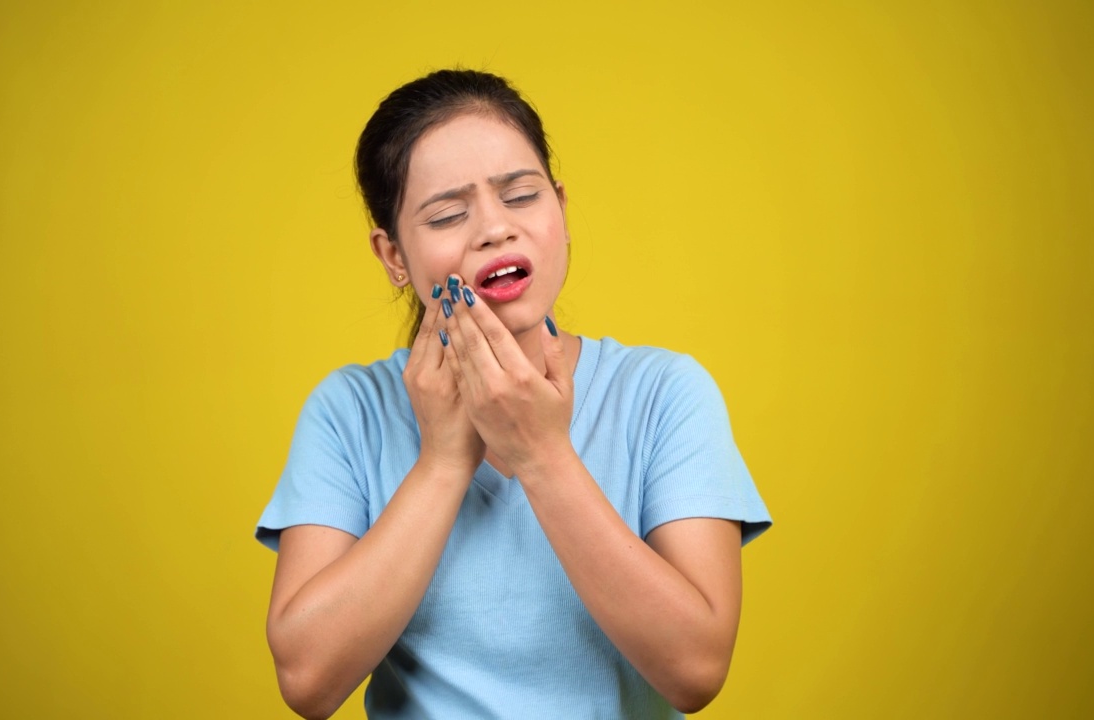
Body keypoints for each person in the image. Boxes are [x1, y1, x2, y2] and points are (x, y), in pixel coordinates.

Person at [256, 69, 771, 719]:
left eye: (522, 196)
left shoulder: (664, 393)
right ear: (392, 256)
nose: (495, 229)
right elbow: (307, 680)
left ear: (561, 207)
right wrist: (443, 462)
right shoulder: (348, 411)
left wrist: (541, 454)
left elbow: (696, 670)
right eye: (447, 214)